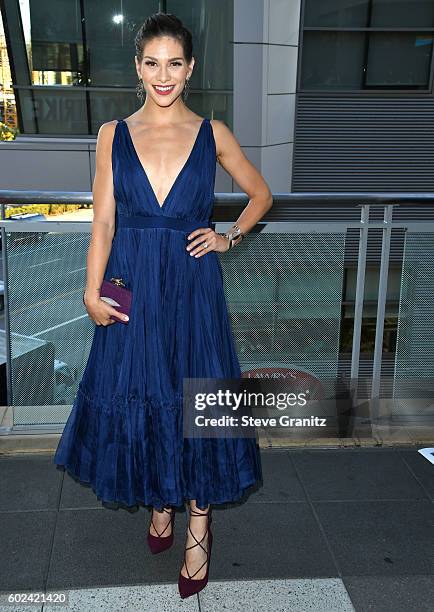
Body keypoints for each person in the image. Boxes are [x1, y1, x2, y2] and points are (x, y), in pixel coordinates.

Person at [53, 12, 273, 599]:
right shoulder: (111, 135)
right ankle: (160, 501)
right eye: (152, 63)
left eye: (174, 62)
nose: (163, 75)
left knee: (196, 400)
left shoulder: (213, 133)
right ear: (138, 68)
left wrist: (229, 236)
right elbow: (102, 222)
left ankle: (198, 527)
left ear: (191, 67)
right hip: (131, 287)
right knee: (145, 392)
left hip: (193, 288)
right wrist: (89, 289)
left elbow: (261, 194)